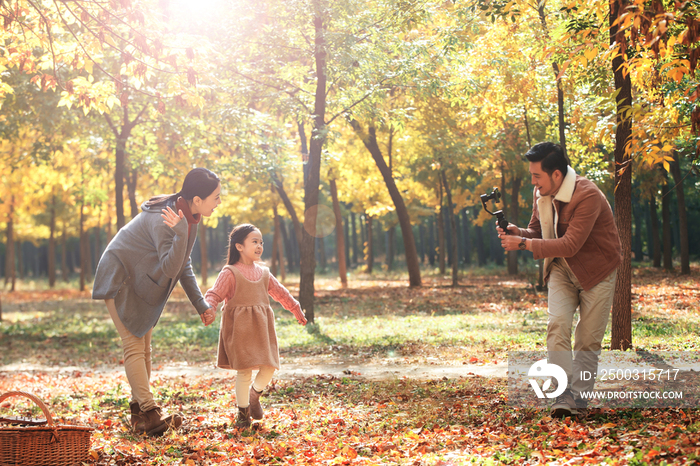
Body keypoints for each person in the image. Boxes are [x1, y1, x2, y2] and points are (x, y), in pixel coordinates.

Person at [497, 142, 622, 419]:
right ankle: (562, 394)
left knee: (587, 340)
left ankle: (579, 397)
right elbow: (536, 229)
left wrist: (522, 245)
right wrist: (518, 232)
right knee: (557, 325)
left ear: (556, 175)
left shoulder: (587, 194)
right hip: (561, 269)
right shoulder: (541, 192)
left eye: (537, 176)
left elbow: (570, 244)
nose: (533, 182)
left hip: (597, 271)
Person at [92, 168, 220, 436]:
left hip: (142, 280)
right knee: (133, 345)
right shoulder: (169, 220)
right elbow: (170, 267)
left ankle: (140, 418)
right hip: (121, 278)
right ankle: (150, 413)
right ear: (197, 199)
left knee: (144, 348)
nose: (219, 202)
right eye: (216, 197)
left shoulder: (188, 217)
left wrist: (201, 304)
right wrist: (182, 234)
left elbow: (182, 262)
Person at [204, 223, 307, 429]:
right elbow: (214, 294)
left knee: (269, 366)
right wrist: (209, 308)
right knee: (243, 372)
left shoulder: (264, 273)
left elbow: (281, 293)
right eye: (254, 242)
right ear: (239, 246)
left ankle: (254, 395)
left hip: (262, 328)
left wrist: (295, 308)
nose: (260, 246)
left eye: (261, 242)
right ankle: (243, 414)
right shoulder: (230, 272)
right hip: (239, 329)